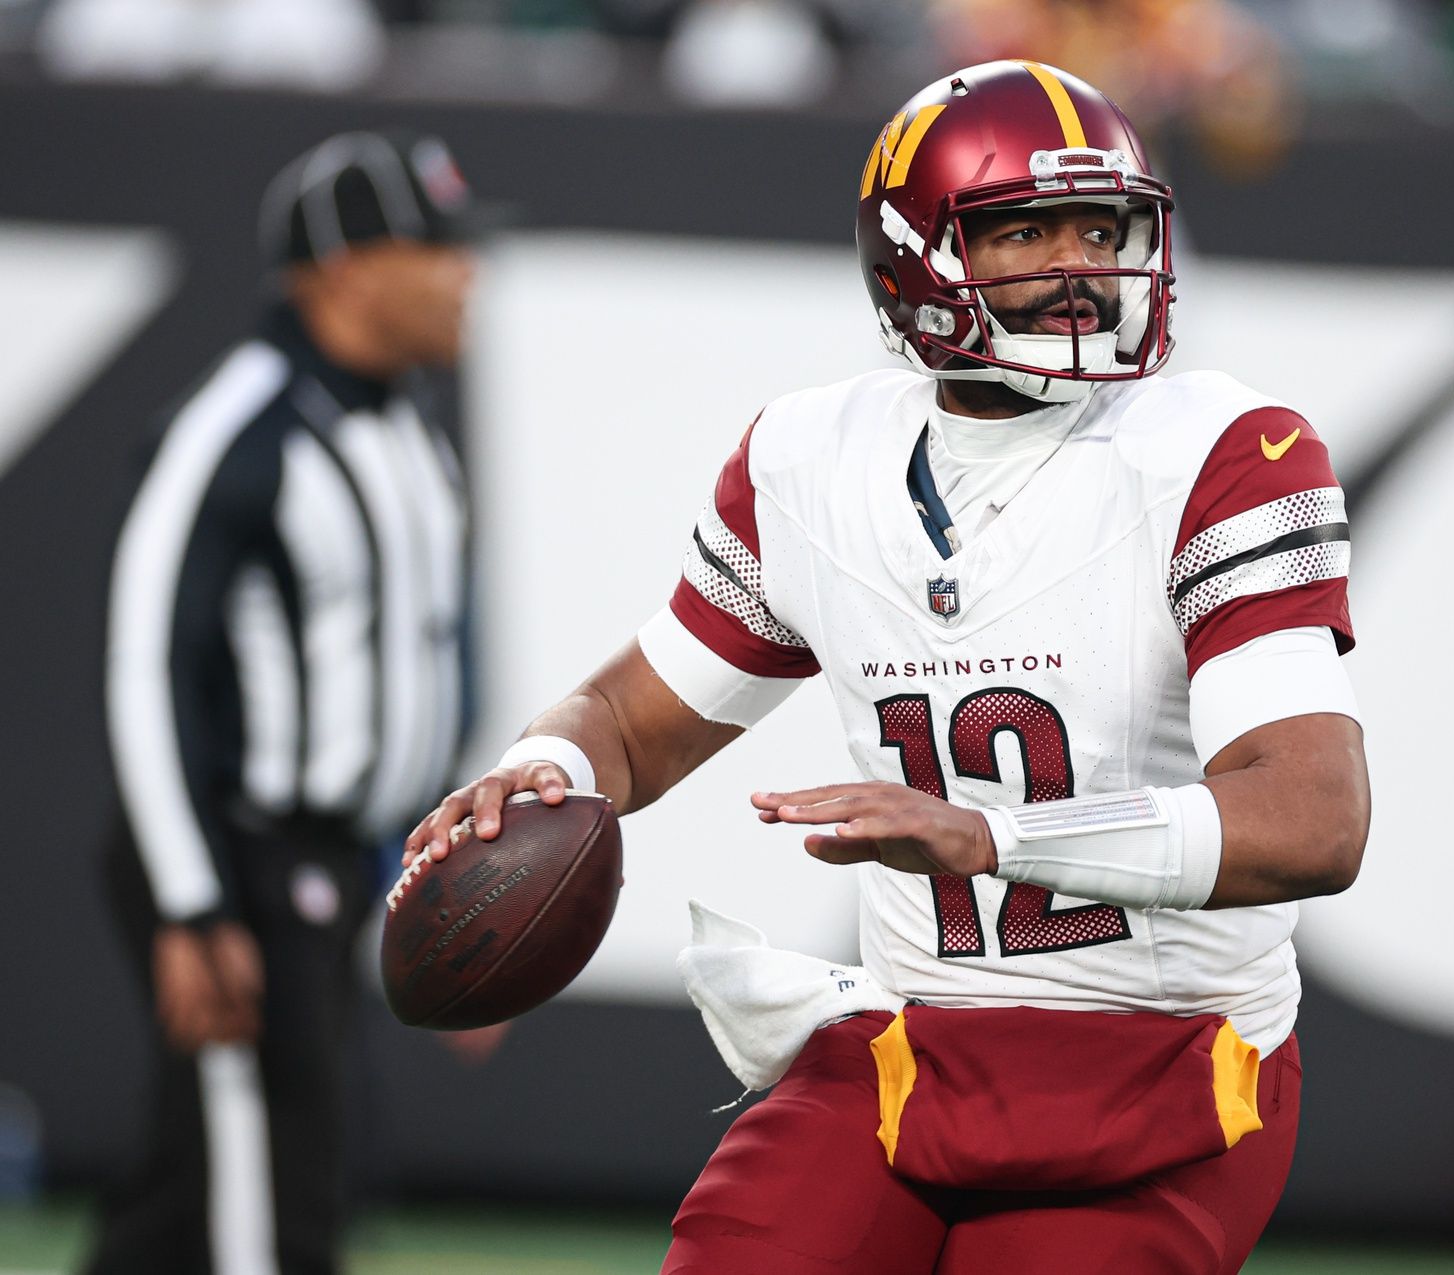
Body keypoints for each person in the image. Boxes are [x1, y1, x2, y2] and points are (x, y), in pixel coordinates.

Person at [408, 60, 1369, 1274]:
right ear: (916, 259)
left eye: (1099, 225)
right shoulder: (814, 460)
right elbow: (632, 716)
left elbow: (1313, 819)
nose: (1080, 264)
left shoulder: (1227, 453)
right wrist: (541, 770)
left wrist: (996, 836)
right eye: (1025, 230)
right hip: (919, 1045)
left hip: (1173, 1059)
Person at [92, 129, 485, 1275]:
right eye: (436, 246)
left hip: (335, 865)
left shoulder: (410, 429)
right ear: (346, 267)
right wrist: (191, 903)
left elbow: (418, 669)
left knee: (190, 1197)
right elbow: (145, 665)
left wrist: (450, 886)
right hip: (241, 864)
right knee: (275, 1207)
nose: (467, 274)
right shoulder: (233, 431)